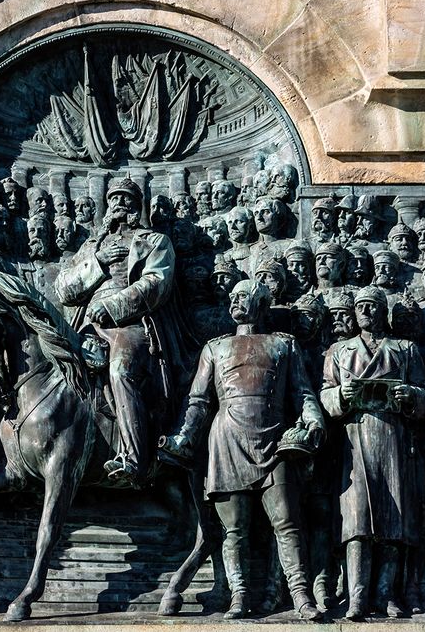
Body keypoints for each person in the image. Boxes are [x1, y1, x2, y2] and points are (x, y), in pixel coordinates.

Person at [163, 280, 324, 620]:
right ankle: (239, 596)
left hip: (276, 440)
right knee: (234, 529)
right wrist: (183, 435)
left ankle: (301, 596)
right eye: (232, 297)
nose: (234, 301)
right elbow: (198, 400)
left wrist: (314, 421)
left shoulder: (284, 344)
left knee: (288, 522)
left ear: (262, 303)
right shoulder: (216, 348)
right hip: (228, 440)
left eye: (243, 296)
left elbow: (303, 392)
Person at [321, 285, 425, 620]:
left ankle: (387, 594)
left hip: (394, 438)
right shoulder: (339, 351)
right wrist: (342, 394)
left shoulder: (405, 349)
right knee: (357, 520)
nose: (366, 312)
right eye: (361, 307)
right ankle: (357, 596)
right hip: (354, 440)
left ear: (383, 311)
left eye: (373, 306)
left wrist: (410, 395)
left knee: (393, 520)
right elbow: (325, 396)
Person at [56, 177, 179, 486]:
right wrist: (96, 262)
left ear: (137, 207)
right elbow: (64, 290)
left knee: (121, 369)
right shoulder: (91, 246)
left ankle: (133, 457)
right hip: (87, 325)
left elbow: (155, 284)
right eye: (115, 199)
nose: (120, 205)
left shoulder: (154, 241)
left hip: (131, 323)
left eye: (127, 200)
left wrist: (112, 306)